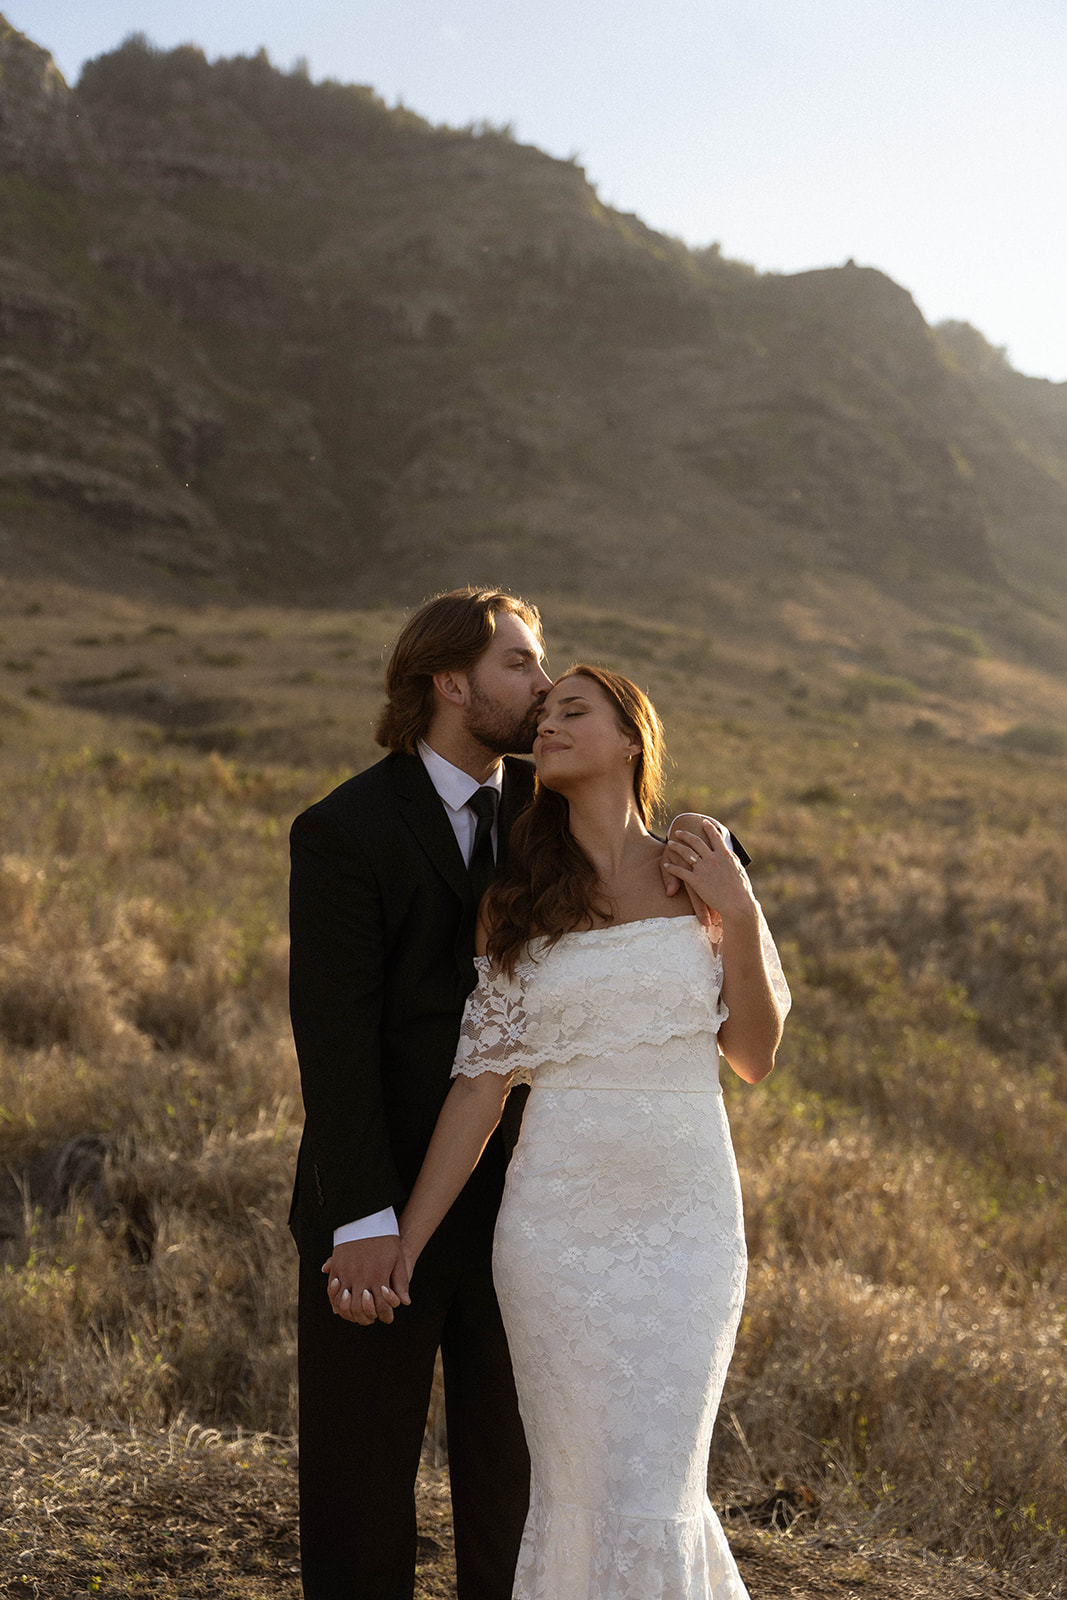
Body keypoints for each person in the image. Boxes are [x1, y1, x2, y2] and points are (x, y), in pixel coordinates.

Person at [389, 665, 791, 1600]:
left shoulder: (703, 875)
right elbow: (479, 1090)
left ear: (630, 740)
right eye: (544, 714)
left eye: (576, 711)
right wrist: (407, 1239)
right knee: (577, 1489)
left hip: (687, 1222)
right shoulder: (517, 897)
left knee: (659, 1483)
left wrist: (737, 909)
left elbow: (754, 1054)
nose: (550, 724)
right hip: (556, 1232)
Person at [288, 586, 552, 1600]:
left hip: (522, 1214)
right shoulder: (343, 829)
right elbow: (335, 1039)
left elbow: (648, 855)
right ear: (450, 682)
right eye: (519, 665)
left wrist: (714, 856)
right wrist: (361, 1215)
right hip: (379, 1209)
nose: (542, 684)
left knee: (513, 1502)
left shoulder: (551, 806)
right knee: (359, 1508)